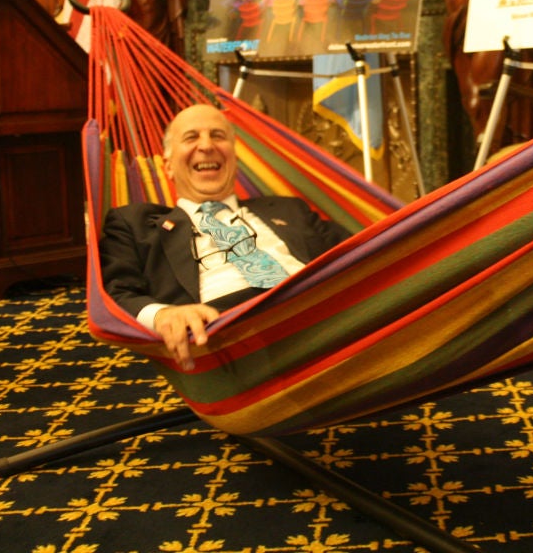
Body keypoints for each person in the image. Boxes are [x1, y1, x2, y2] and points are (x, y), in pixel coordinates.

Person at [99, 103, 350, 370]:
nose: (206, 146)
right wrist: (163, 314)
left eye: (218, 136)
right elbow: (115, 293)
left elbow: (362, 250)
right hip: (224, 333)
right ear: (168, 166)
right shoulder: (134, 223)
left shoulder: (289, 209)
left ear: (235, 159)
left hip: (317, 309)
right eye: (191, 137)